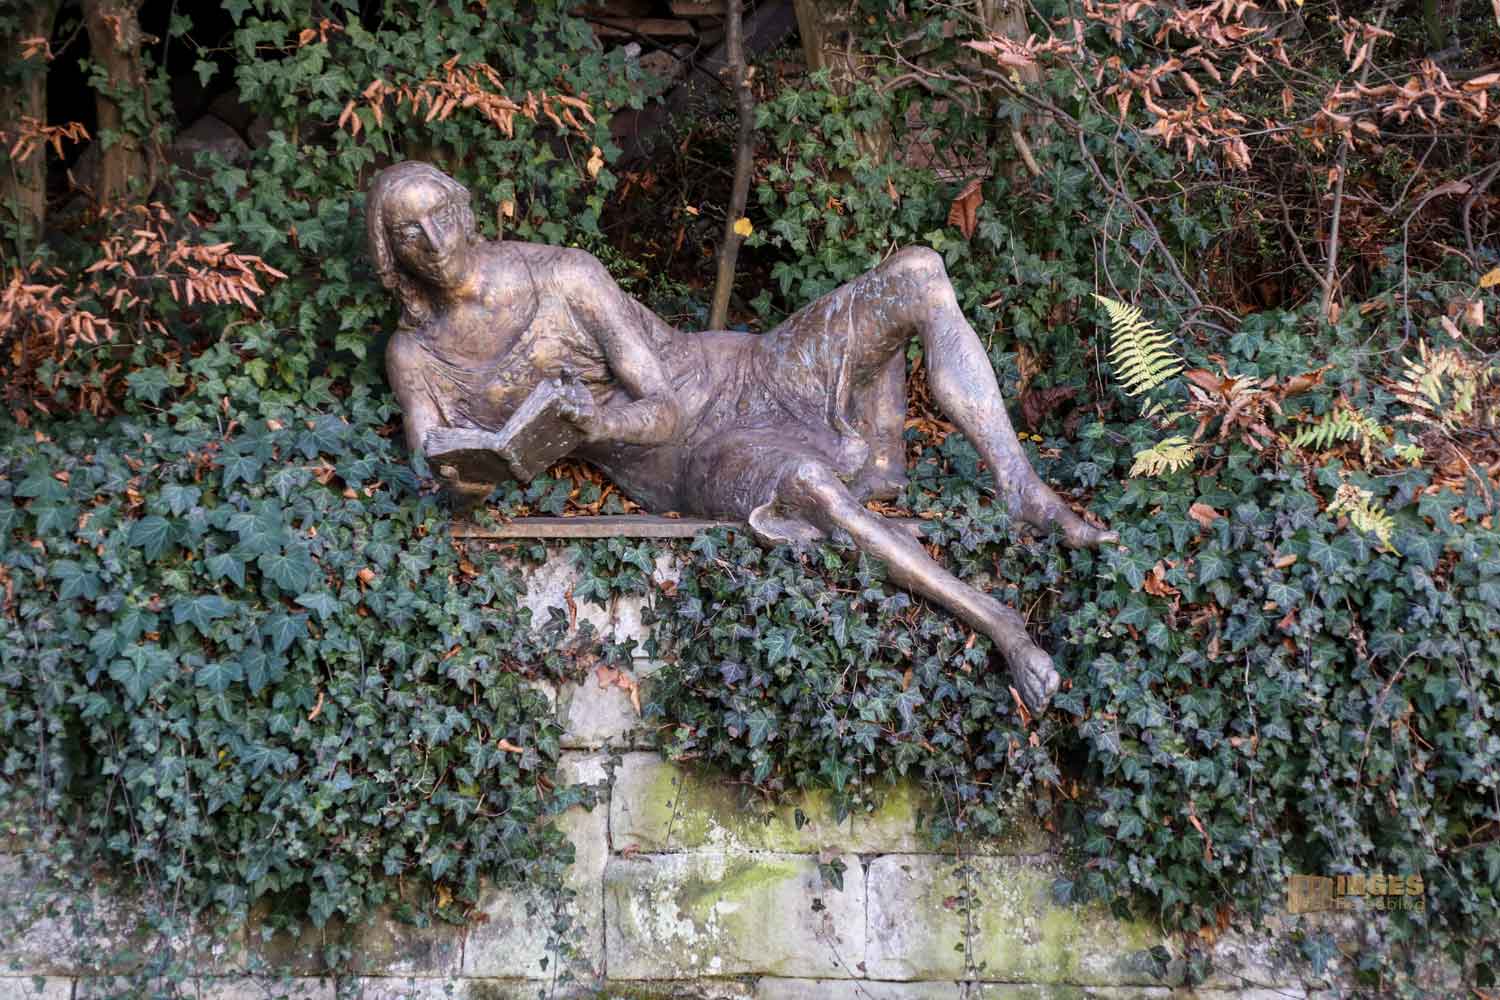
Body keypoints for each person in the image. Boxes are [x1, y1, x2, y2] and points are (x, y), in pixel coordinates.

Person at [367, 160, 1116, 711]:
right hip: (698, 457)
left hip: (749, 372)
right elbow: (439, 475)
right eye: (409, 231)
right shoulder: (416, 356)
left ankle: (1022, 488)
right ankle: (1001, 624)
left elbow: (660, 401)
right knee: (809, 488)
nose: (434, 239)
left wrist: (593, 420)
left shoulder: (565, 277)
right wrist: (472, 475)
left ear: (466, 210)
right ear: (390, 250)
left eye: (441, 215)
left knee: (917, 272)